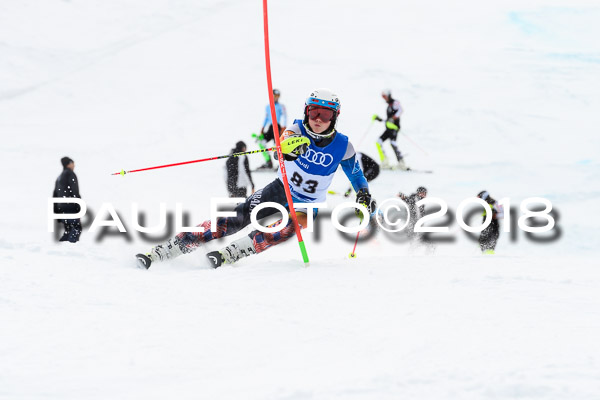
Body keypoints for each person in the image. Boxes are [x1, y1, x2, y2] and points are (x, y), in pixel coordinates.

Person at [135, 88, 376, 269]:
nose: (318, 119)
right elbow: (283, 144)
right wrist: (287, 149)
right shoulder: (296, 129)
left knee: (285, 229)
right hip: (281, 189)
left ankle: (233, 252)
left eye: (325, 114)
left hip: (309, 202)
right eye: (314, 111)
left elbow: (355, 174)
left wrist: (363, 194)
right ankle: (171, 247)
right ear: (306, 111)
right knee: (237, 218)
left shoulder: (344, 146)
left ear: (334, 117)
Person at [372, 89, 409, 170]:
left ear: (388, 95)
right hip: (388, 128)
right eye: (383, 97)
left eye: (384, 96)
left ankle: (401, 163)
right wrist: (379, 119)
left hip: (394, 128)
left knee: (393, 143)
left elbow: (400, 110)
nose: (384, 98)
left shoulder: (395, 103)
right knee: (379, 142)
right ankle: (385, 162)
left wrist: (393, 118)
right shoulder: (389, 105)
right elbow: (388, 120)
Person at [255, 88, 287, 170]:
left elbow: (285, 117)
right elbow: (266, 118)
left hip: (278, 127)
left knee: (278, 146)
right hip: (270, 127)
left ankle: (281, 164)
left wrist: (284, 127)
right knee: (261, 142)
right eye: (274, 96)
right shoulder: (267, 107)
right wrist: (262, 127)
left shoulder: (281, 106)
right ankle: (268, 161)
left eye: (277, 96)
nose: (276, 98)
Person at [53, 157, 82, 243]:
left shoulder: (60, 177)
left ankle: (62, 250)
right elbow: (74, 191)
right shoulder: (70, 174)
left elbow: (55, 194)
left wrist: (56, 209)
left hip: (61, 207)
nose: (74, 165)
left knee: (68, 230)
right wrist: (78, 205)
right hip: (70, 205)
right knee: (76, 228)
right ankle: (72, 250)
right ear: (69, 164)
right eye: (73, 163)